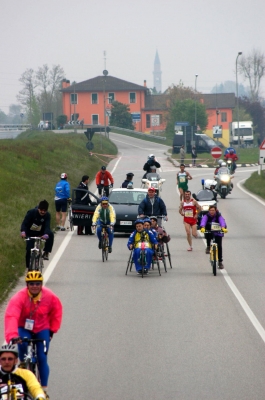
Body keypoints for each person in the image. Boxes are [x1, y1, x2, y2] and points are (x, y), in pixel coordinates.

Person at [4, 271, 63, 397]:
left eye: (37, 283)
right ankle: (24, 368)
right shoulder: (19, 297)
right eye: (31, 284)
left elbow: (57, 312)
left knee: (42, 358)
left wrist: (52, 329)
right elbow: (11, 316)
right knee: (22, 350)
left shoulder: (50, 296)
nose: (35, 286)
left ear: (41, 284)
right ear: (27, 285)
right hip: (24, 328)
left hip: (42, 327)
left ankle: (43, 389)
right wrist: (13, 336)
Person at [20, 200, 54, 267]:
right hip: (30, 233)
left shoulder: (47, 215)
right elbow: (24, 223)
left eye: (45, 211)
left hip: (41, 233)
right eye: (41, 210)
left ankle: (46, 252)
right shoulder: (31, 212)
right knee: (29, 249)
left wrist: (46, 234)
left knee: (51, 234)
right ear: (38, 208)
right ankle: (28, 267)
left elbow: (47, 226)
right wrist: (23, 231)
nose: (43, 212)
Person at [200, 205, 228, 269]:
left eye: (213, 210)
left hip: (218, 232)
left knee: (219, 246)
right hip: (210, 231)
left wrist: (223, 228)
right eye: (210, 210)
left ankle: (220, 262)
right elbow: (203, 221)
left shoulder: (218, 216)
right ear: (209, 211)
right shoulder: (206, 216)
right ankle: (208, 246)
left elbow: (222, 221)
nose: (212, 212)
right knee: (207, 234)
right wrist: (203, 227)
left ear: (215, 211)